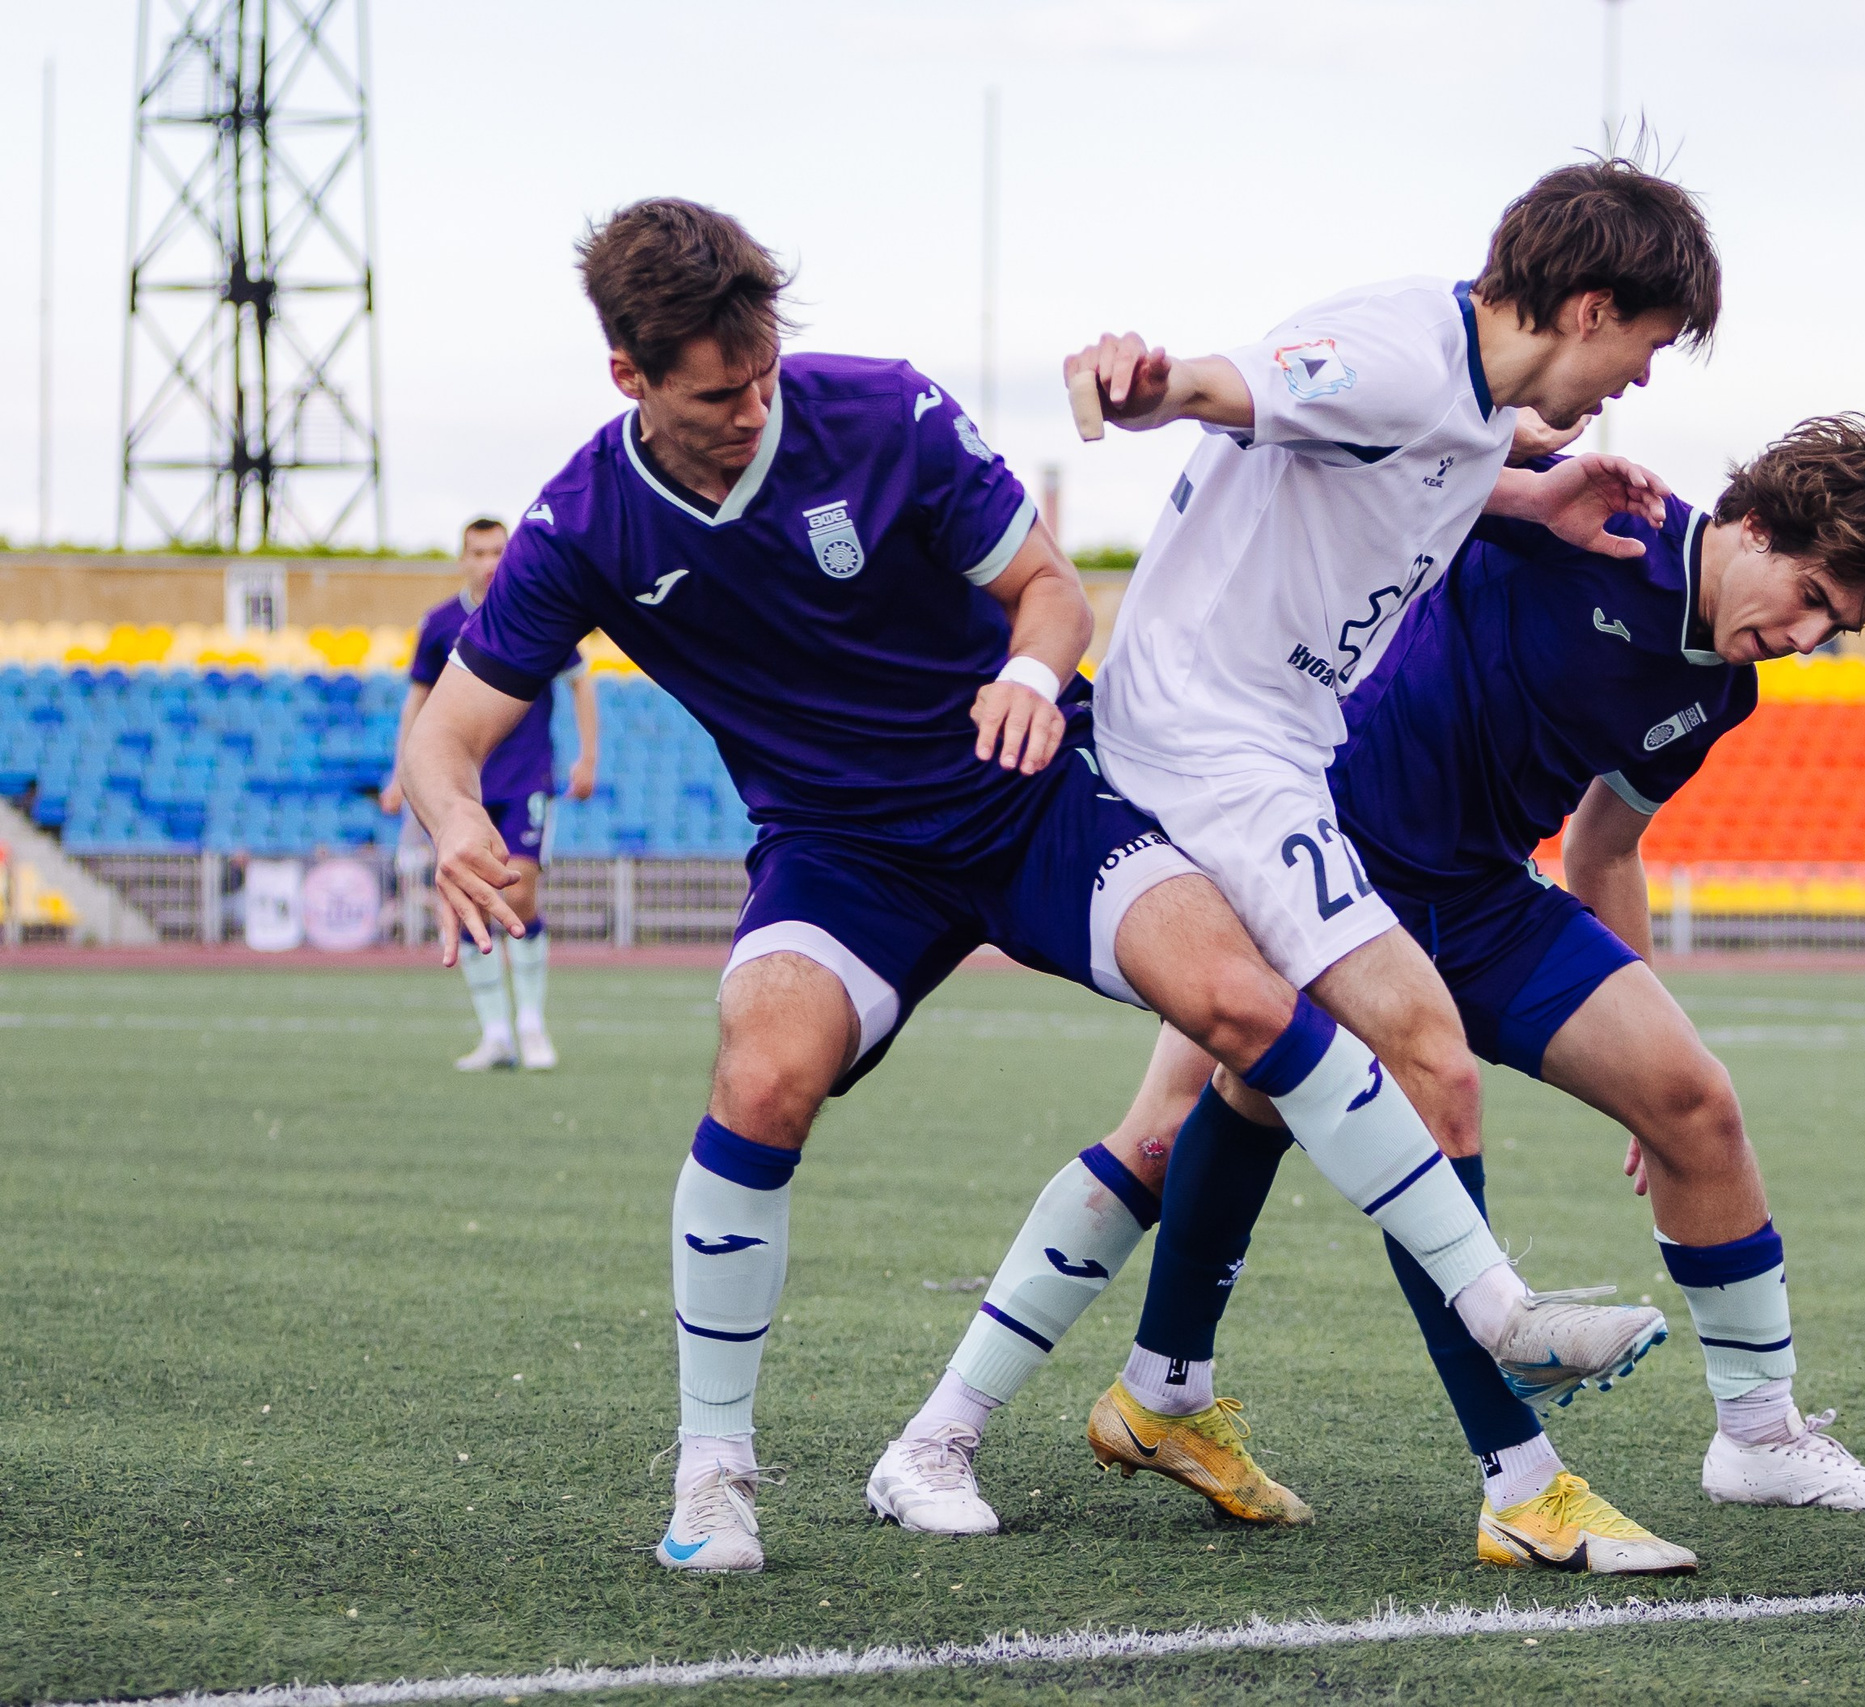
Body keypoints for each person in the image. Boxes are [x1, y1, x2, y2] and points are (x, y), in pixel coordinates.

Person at [398, 198, 1644, 1576]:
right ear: (628, 375)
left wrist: (1030, 675)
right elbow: (446, 738)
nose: (753, 408)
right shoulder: (582, 522)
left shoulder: (883, 412)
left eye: (763, 373)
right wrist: (454, 823)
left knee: (1245, 1005)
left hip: (1031, 789)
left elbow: (1050, 588)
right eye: (715, 393)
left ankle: (1487, 1315)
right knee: (761, 1075)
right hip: (841, 851)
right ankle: (714, 1473)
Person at [882, 417, 1865, 1573]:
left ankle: (1759, 1437)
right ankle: (949, 1434)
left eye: (1831, 627)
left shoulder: (1726, 691)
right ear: (1753, 526)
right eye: (1809, 597)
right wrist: (1496, 441)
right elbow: (1396, 469)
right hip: (1321, 853)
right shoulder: (1593, 519)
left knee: (1692, 1102)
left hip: (1481, 898)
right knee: (1174, 1128)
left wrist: (1637, 1062)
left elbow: (1602, 847)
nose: (1803, 637)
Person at [1009, 158, 1717, 1523]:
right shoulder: (1396, 350)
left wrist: (1532, 497)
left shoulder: (1473, 395)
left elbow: (1414, 456)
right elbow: (1231, 388)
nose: (1637, 378)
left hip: (1273, 746)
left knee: (1231, 1093)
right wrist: (1141, 380)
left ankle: (1107, 1400)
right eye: (1644, 344)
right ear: (1588, 306)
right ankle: (1524, 1475)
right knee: (1428, 1052)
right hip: (1212, 743)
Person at [382, 516, 598, 1069]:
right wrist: (403, 772)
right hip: (459, 786)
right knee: (465, 896)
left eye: (498, 551)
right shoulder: (439, 624)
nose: (489, 563)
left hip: (526, 777)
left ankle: (531, 1025)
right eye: (478, 553)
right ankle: (496, 1033)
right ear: (463, 558)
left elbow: (580, 681)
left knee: (519, 894)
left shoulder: (536, 610)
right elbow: (418, 702)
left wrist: (588, 755)